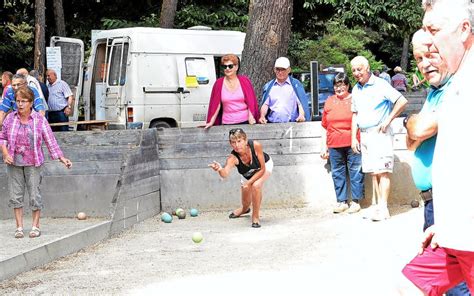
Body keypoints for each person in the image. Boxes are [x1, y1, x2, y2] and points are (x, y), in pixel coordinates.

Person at [402, 0, 474, 293]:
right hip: (454, 228)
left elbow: (419, 128)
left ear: (463, 30)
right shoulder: (459, 83)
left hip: (465, 235)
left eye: (434, 30)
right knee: (407, 285)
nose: (429, 41)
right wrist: (449, 220)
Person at [0, 87, 72, 239]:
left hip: (34, 162)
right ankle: (19, 227)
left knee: (34, 195)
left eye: (23, 101)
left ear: (31, 103)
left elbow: (50, 140)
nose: (20, 104)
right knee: (15, 196)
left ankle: (35, 226)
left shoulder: (39, 120)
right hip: (14, 162)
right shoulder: (10, 118)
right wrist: (5, 153)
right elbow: (3, 138)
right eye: (18, 101)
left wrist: (61, 158)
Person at [350, 56, 407, 221]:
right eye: (353, 70)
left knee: (383, 171)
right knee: (373, 171)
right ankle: (376, 206)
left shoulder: (381, 84)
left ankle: (383, 207)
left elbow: (402, 101)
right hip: (365, 133)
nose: (356, 73)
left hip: (379, 133)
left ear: (367, 68)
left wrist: (388, 120)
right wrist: (354, 137)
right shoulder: (355, 89)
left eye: (359, 69)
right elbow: (355, 114)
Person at [208, 128, 272, 228]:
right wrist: (219, 169)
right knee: (245, 201)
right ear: (230, 144)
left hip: (263, 167)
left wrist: (249, 183)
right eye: (233, 142)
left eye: (239, 141)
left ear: (245, 140)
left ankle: (255, 217)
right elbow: (225, 174)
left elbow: (262, 169)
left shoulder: (256, 145)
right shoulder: (232, 158)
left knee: (256, 185)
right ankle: (244, 209)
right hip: (247, 174)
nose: (237, 145)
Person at [320, 72, 364, 214]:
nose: (339, 89)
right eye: (336, 86)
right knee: (337, 173)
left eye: (342, 85)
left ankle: (356, 202)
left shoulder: (355, 99)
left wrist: (356, 139)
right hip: (334, 142)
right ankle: (341, 201)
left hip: (352, 141)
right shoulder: (329, 101)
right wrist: (324, 147)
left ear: (347, 85)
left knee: (355, 171)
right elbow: (325, 126)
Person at [204, 54, 259, 128]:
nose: (227, 68)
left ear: (236, 67)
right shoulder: (218, 83)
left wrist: (251, 117)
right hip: (227, 122)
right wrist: (211, 122)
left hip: (245, 122)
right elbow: (216, 105)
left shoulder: (245, 81)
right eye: (224, 66)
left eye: (230, 66)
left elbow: (251, 102)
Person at [258, 57, 310, 123]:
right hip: (272, 125)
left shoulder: (295, 85)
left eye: (283, 69)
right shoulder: (269, 86)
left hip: (292, 124)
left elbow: (301, 104)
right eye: (278, 69)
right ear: (274, 70)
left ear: (289, 70)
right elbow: (265, 104)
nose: (280, 72)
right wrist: (262, 116)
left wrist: (301, 115)